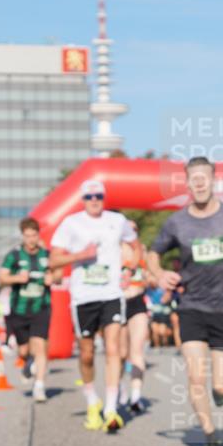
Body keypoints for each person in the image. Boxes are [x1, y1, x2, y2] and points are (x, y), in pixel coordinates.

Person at [147, 156, 223, 446]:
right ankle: (209, 434)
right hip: (191, 306)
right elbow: (152, 254)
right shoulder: (176, 222)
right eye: (193, 178)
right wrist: (158, 274)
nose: (199, 183)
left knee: (221, 386)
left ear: (212, 180)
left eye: (203, 177)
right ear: (188, 184)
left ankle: (219, 397)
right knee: (196, 377)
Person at [50, 179, 137, 431]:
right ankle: (92, 400)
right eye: (89, 197)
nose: (95, 200)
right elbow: (54, 259)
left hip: (111, 293)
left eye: (99, 195)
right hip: (83, 296)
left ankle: (110, 409)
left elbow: (135, 245)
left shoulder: (117, 221)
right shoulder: (71, 223)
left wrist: (130, 268)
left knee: (113, 349)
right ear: (83, 199)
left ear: (104, 197)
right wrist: (79, 256)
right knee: (86, 353)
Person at [0, 217, 53, 403]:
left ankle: (39, 386)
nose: (31, 239)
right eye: (27, 236)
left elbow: (60, 273)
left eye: (34, 235)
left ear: (38, 235)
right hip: (20, 309)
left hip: (41, 307)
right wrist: (17, 278)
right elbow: (2, 278)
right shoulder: (14, 255)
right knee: (24, 350)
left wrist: (52, 278)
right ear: (22, 236)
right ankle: (27, 362)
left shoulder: (47, 255)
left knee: (40, 346)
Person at [118, 221, 149, 413]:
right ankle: (121, 389)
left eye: (135, 230)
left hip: (137, 302)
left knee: (137, 351)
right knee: (120, 354)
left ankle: (136, 396)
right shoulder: (113, 250)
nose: (132, 233)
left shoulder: (142, 251)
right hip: (118, 303)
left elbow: (149, 277)